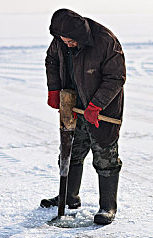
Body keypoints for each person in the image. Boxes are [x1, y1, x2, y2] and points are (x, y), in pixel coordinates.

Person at [40, 9, 126, 225]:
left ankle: (107, 206)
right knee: (70, 151)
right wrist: (54, 90)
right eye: (65, 40)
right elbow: (51, 60)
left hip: (102, 109)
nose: (68, 44)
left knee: (105, 155)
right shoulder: (60, 41)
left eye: (72, 41)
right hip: (72, 105)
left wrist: (96, 105)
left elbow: (116, 77)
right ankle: (69, 196)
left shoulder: (105, 41)